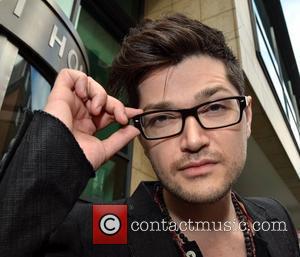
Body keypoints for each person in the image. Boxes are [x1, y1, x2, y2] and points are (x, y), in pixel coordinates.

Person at [0, 13, 299, 257]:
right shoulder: (92, 234)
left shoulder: (276, 218)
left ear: (246, 117)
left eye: (215, 107)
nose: (193, 141)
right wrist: (55, 153)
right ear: (142, 137)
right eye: (163, 118)